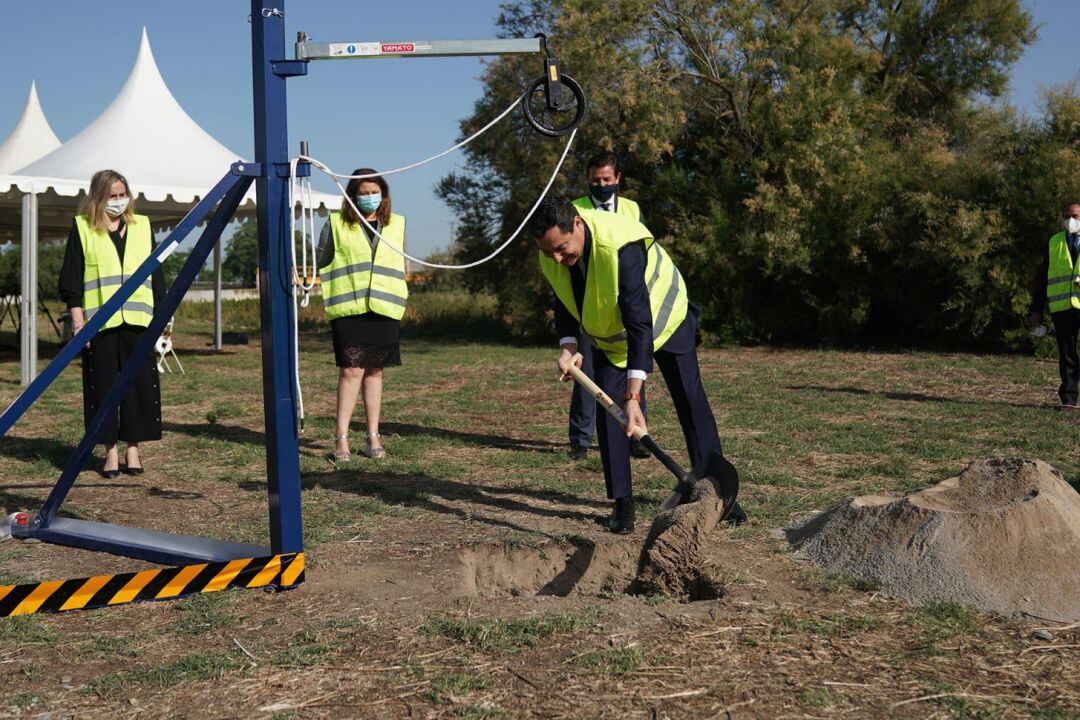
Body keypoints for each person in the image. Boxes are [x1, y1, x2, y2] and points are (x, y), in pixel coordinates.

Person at [530, 196, 745, 533]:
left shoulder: (621, 243)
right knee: (610, 414)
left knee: (690, 401)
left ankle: (717, 492)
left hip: (665, 317)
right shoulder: (553, 255)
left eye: (561, 248)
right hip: (612, 339)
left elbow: (640, 323)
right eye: (548, 252)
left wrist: (634, 397)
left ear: (576, 225)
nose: (557, 258)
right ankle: (622, 503)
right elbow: (563, 301)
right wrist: (568, 347)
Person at [59, 170, 164, 478]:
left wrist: (162, 321)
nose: (119, 201)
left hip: (138, 320)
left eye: (122, 194)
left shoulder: (143, 226)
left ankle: (133, 449)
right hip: (98, 324)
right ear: (98, 198)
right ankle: (110, 452)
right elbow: (71, 280)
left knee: (138, 384)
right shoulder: (83, 228)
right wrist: (79, 327)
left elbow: (156, 277)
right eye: (112, 196)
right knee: (101, 386)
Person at [318, 169, 407, 460]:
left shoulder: (397, 225)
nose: (369, 197)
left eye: (374, 192)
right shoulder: (335, 224)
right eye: (363, 193)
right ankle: (341, 438)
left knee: (375, 371)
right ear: (352, 195)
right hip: (349, 309)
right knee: (351, 370)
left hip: (384, 309)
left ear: (383, 193)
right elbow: (322, 261)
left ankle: (372, 435)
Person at [566, 151, 649, 461]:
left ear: (618, 180)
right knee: (586, 372)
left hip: (624, 304)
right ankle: (581, 439)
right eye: (595, 180)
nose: (601, 185)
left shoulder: (632, 209)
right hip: (589, 305)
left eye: (606, 180)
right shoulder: (576, 209)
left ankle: (638, 436)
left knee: (635, 370)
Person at [1030, 200, 1080, 408]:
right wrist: (1036, 309)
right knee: (1067, 354)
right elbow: (1043, 278)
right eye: (1067, 216)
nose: (1071, 220)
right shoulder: (1054, 242)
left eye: (1075, 216)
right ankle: (1069, 399)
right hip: (1062, 308)